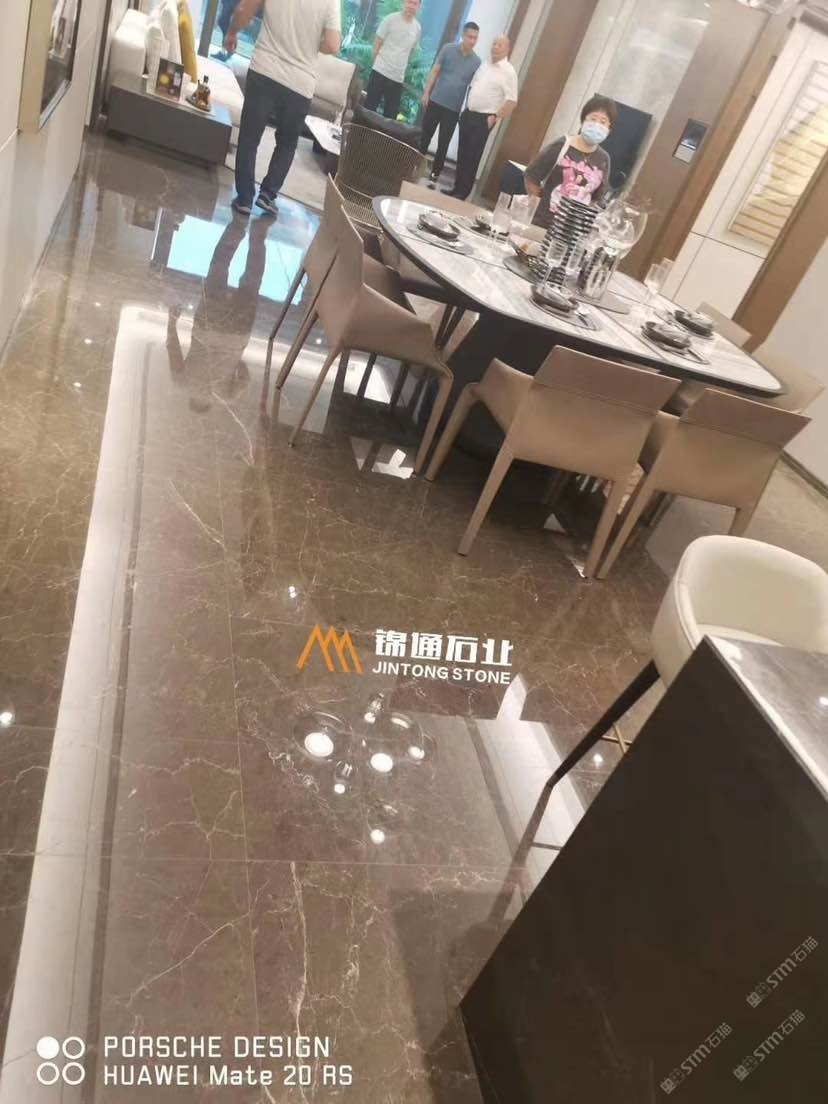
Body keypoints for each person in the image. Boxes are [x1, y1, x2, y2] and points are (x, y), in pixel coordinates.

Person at [227, 0, 341, 217]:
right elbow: (332, 45)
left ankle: (244, 199)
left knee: (250, 137)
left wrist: (232, 32)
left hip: (264, 69)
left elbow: (244, 9)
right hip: (300, 82)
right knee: (287, 142)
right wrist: (310, 41)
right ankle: (267, 194)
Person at [524, 95, 617, 227]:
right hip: (543, 222)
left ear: (609, 128)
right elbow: (531, 176)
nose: (597, 124)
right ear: (583, 120)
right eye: (593, 118)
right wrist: (537, 204)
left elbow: (597, 197)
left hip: (571, 229)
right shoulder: (562, 145)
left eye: (603, 121)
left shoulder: (604, 159)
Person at [445, 34, 517, 200]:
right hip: (469, 114)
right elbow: (473, 86)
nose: (495, 47)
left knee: (472, 156)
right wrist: (466, 108)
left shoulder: (508, 71)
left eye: (499, 45)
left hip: (484, 118)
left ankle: (463, 192)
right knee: (462, 153)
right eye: (494, 43)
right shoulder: (485, 64)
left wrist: (495, 116)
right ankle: (456, 187)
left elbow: (512, 101)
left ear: (507, 49)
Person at [419, 22, 481, 186]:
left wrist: (467, 110)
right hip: (436, 101)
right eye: (470, 37)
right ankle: (414, 165)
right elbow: (435, 71)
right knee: (425, 136)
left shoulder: (477, 62)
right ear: (463, 35)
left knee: (443, 143)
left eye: (475, 38)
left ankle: (435, 175)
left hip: (453, 109)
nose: (472, 41)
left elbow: (473, 89)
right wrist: (426, 92)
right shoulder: (448, 49)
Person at [365, 0, 422, 120]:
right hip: (380, 71)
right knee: (368, 110)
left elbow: (411, 52)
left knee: (390, 117)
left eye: (415, 3)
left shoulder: (417, 28)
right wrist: (378, 64)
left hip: (397, 78)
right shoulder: (390, 19)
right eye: (409, 2)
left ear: (419, 7)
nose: (411, 6)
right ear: (404, 2)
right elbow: (376, 45)